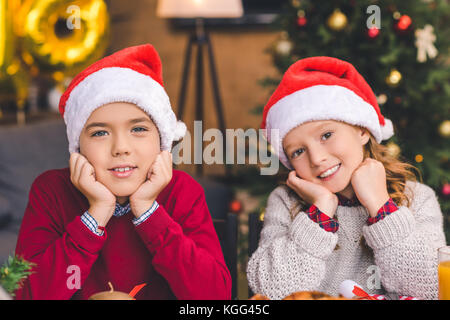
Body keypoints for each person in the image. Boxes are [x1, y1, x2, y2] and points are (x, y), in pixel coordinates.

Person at [14, 44, 231, 300]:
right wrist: (95, 216)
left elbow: (215, 296)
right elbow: (26, 295)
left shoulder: (182, 192)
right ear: (78, 147)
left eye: (138, 129)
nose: (121, 148)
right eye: (100, 133)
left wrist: (149, 214)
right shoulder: (52, 192)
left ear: (161, 141)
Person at [247, 56, 446, 300]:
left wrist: (381, 206)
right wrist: (319, 214)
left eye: (326, 134)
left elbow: (431, 289)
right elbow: (271, 291)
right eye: (298, 151)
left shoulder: (416, 198)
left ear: (361, 129)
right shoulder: (285, 202)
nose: (317, 158)